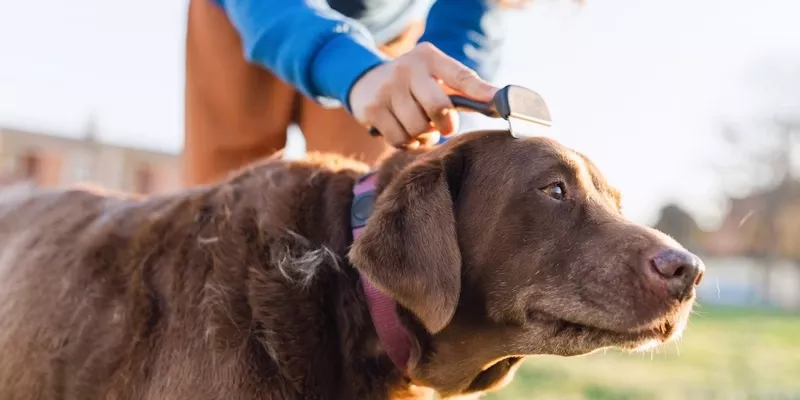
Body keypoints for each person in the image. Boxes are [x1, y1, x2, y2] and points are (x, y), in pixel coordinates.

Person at [182, 0, 530, 186]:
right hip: (245, 19)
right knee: (218, 202)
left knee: (366, 200)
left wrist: (436, 117)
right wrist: (354, 70)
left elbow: (465, 19)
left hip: (381, 43)